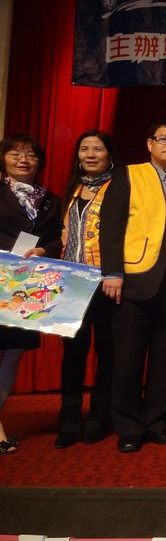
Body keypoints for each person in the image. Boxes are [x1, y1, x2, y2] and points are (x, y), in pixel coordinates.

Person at [99, 118, 166, 453]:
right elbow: (110, 226)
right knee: (127, 356)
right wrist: (112, 272)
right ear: (149, 143)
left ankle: (158, 422)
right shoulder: (128, 175)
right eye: (163, 138)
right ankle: (128, 426)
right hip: (134, 274)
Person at [55, 130, 118, 449]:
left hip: (106, 280)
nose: (90, 155)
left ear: (109, 155)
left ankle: (98, 414)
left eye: (97, 149)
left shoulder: (117, 188)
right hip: (72, 281)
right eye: (84, 149)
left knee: (107, 350)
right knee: (73, 351)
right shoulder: (71, 189)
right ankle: (68, 418)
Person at [0, 135, 62, 454]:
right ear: (3, 158)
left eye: (31, 155)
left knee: (13, 354)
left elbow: (58, 238)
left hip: (26, 286)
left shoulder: (51, 199)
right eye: (15, 153)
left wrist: (43, 250)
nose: (23, 160)